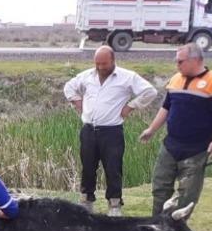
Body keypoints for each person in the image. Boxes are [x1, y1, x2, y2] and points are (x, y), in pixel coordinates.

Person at [63, 45, 158, 216]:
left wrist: (131, 106)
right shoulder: (87, 76)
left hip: (112, 131)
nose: (100, 67)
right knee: (88, 168)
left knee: (113, 168)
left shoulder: (127, 77)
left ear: (113, 60)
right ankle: (86, 202)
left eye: (104, 64)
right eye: (97, 63)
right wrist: (77, 102)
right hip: (89, 130)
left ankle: (114, 205)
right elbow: (69, 87)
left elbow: (150, 91)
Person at [139, 43, 212, 216]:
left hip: (196, 149)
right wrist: (151, 130)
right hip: (171, 145)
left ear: (195, 60)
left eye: (180, 61)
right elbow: (166, 107)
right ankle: (157, 223)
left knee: (187, 194)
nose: (177, 65)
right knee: (160, 187)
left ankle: (177, 227)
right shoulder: (175, 79)